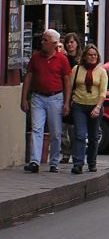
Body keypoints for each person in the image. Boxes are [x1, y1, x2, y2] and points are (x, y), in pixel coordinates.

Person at [21, 29, 72, 173]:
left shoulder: (62, 59)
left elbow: (67, 81)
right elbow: (29, 77)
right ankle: (35, 161)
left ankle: (54, 162)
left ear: (54, 44)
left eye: (45, 40)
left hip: (56, 97)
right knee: (37, 129)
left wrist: (67, 102)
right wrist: (24, 98)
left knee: (56, 132)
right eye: (42, 39)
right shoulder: (36, 58)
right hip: (38, 97)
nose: (42, 42)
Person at [69, 44, 108, 174]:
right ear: (84, 56)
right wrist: (66, 103)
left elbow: (103, 92)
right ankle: (78, 164)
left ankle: (92, 163)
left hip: (95, 106)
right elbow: (70, 86)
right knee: (79, 135)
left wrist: (98, 107)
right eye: (90, 55)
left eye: (95, 55)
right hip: (79, 105)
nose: (92, 57)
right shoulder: (77, 69)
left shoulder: (101, 72)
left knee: (93, 137)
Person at [59, 32, 83, 163]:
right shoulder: (63, 59)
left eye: (72, 42)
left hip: (77, 96)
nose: (70, 45)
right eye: (68, 43)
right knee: (62, 127)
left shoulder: (81, 60)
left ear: (77, 43)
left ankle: (75, 153)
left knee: (74, 128)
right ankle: (65, 153)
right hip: (62, 94)